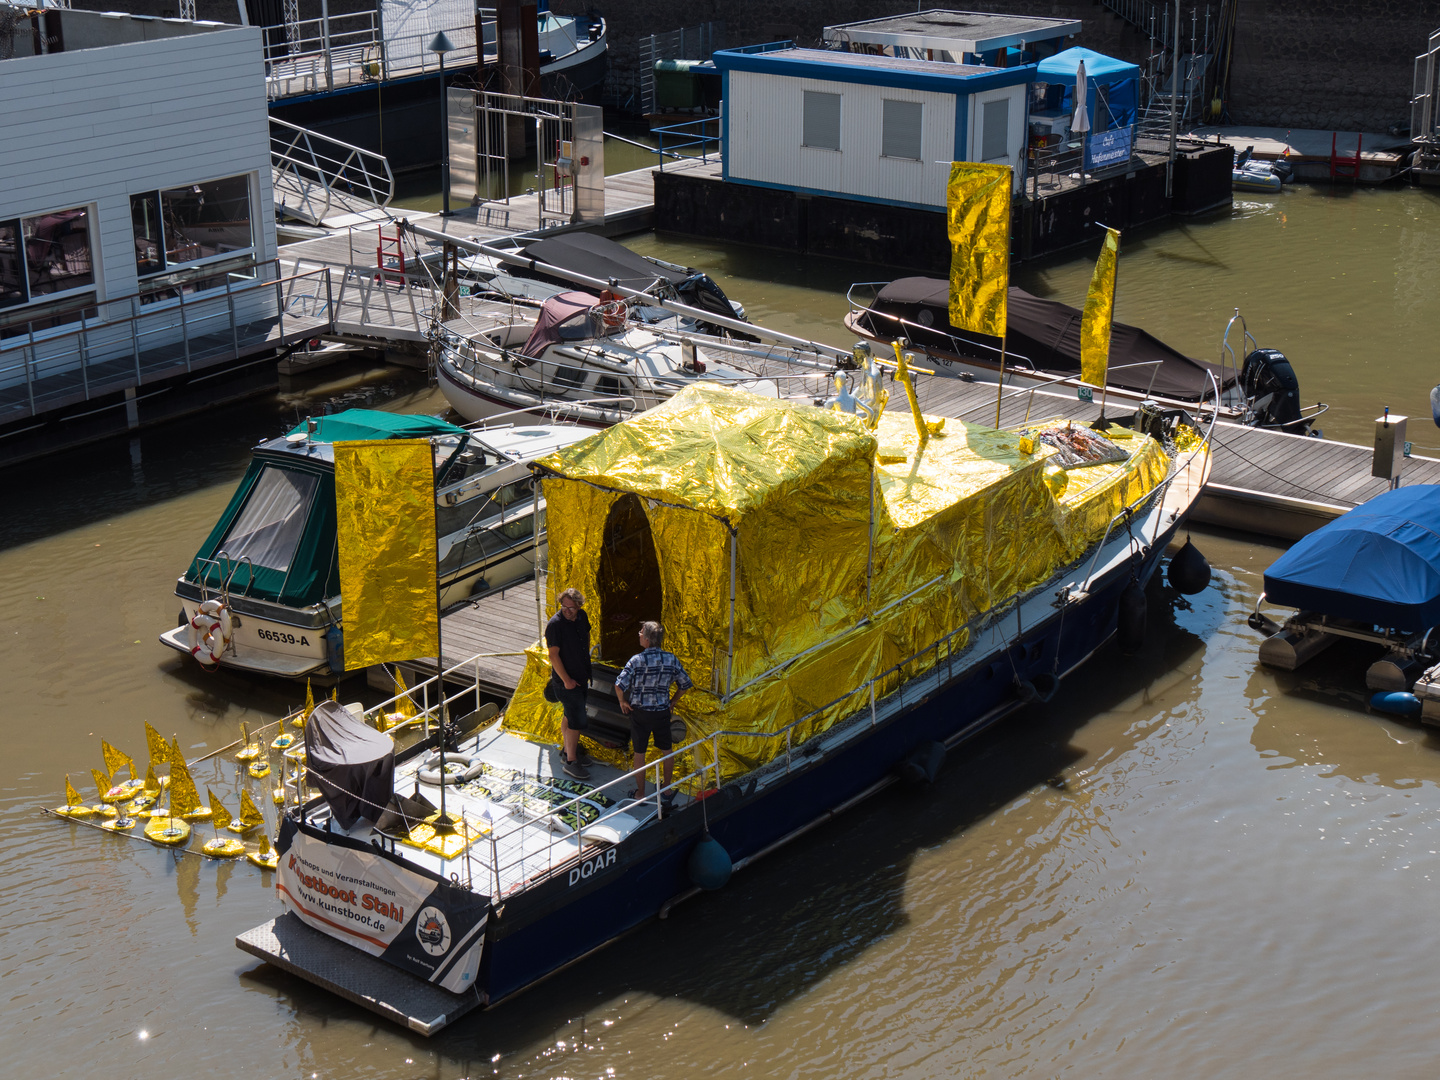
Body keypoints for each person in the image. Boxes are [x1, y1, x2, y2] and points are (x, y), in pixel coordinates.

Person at [614, 621, 692, 802]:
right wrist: (672, 702)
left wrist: (622, 701)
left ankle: (640, 793)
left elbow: (619, 685)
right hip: (662, 712)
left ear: (647, 639)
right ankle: (666, 789)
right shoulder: (671, 659)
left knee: (639, 753)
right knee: (667, 751)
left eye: (640, 632)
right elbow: (685, 684)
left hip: (640, 713)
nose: (638, 635)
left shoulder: (636, 660)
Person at [546, 587, 593, 779]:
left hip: (580, 677)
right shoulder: (555, 625)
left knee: (569, 714)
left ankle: (568, 750)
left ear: (579, 606)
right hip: (566, 682)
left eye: (571, 608)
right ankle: (571, 762)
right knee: (577, 720)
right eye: (564, 607)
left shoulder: (582, 617)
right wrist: (567, 680)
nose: (567, 611)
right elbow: (553, 655)